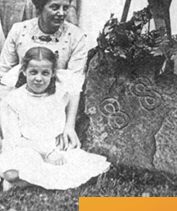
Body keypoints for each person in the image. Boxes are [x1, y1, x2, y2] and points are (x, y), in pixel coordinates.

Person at [0, 46, 110, 191]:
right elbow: (13, 140)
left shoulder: (59, 94)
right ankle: (23, 179)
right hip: (26, 147)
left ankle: (26, 181)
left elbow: (74, 93)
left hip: (55, 145)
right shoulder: (13, 100)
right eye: (33, 72)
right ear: (24, 71)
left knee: (88, 164)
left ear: (52, 74)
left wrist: (68, 127)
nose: (39, 78)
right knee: (13, 169)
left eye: (45, 73)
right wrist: (46, 153)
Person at [0, 0, 87, 149]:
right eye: (54, 7)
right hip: (19, 102)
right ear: (40, 7)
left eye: (65, 7)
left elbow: (74, 86)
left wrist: (68, 126)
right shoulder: (19, 30)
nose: (61, 13)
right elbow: (2, 76)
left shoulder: (76, 36)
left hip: (55, 108)